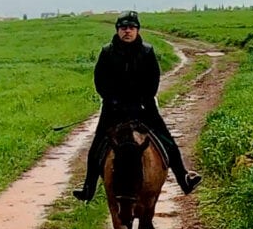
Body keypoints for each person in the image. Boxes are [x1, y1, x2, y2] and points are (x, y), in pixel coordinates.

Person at [74, 11, 201, 202]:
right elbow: (100, 81)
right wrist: (113, 100)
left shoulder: (147, 51)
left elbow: (153, 80)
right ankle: (88, 187)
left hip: (143, 107)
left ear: (137, 30)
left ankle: (184, 178)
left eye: (131, 28)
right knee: (97, 145)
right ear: (118, 30)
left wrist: (142, 100)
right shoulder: (107, 52)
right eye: (123, 28)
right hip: (113, 109)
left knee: (167, 140)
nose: (127, 31)